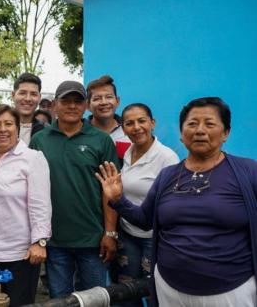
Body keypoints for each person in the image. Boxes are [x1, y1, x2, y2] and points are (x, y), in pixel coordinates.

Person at [96, 97, 257, 307]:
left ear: (226, 132)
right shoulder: (168, 176)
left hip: (231, 291)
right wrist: (117, 200)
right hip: (170, 290)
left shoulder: (247, 172)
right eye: (191, 124)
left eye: (209, 124)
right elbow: (145, 220)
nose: (199, 130)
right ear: (182, 134)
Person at [29, 80, 120, 298]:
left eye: (77, 101)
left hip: (93, 239)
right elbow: (31, 191)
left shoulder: (101, 140)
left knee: (95, 299)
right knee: (59, 299)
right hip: (55, 239)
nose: (72, 106)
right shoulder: (40, 140)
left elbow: (111, 191)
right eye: (66, 101)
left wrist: (110, 233)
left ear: (86, 106)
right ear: (54, 105)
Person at [0, 104, 52, 306]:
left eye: (8, 124)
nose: (2, 129)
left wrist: (40, 241)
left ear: (17, 128)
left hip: (21, 252)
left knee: (18, 303)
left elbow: (41, 204)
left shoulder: (32, 159)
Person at [113, 103, 179, 307]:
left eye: (142, 121)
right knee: (127, 290)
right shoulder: (128, 153)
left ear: (152, 123)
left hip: (154, 237)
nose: (136, 127)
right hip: (128, 233)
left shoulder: (167, 157)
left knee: (154, 290)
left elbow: (172, 203)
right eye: (129, 123)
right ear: (123, 129)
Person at [86, 75, 131, 161]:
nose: (104, 102)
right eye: (97, 98)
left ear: (117, 101)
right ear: (87, 105)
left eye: (109, 97)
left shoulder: (130, 130)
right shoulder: (81, 132)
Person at [11, 73, 46, 145]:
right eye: (22, 93)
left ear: (39, 98)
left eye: (33, 94)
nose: (28, 99)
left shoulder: (46, 130)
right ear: (13, 95)